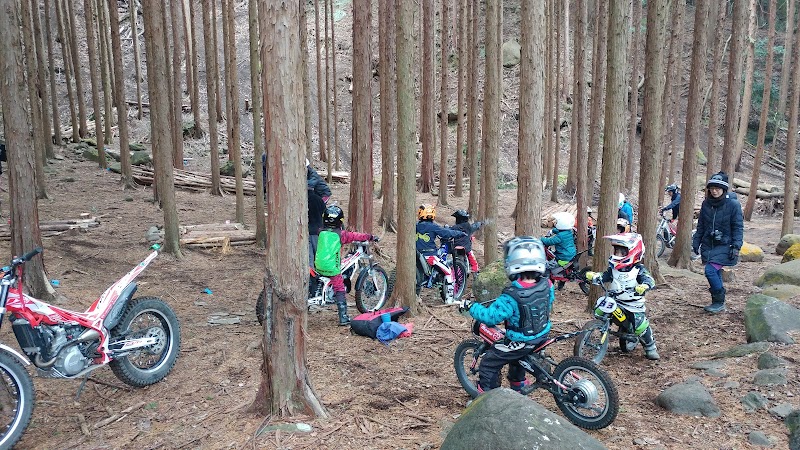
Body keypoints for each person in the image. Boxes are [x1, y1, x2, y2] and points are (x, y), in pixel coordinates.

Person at [460, 236, 555, 393]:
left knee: (489, 362)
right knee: (515, 355)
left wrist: (472, 307)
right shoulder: (548, 284)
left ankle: (487, 396)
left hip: (522, 340)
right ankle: (518, 384)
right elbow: (548, 302)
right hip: (542, 334)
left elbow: (491, 316)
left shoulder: (511, 295)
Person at [585, 233, 659, 360]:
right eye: (616, 251)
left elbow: (649, 279)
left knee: (640, 325)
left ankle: (650, 346)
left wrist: (644, 285)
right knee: (599, 310)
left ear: (633, 252)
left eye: (622, 252)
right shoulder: (614, 268)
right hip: (616, 300)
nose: (618, 254)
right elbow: (605, 276)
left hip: (633, 305)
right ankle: (600, 327)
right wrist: (597, 276)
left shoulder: (638, 269)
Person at [315, 205, 379, 326]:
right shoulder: (341, 234)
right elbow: (355, 236)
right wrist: (370, 237)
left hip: (318, 264)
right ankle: (343, 317)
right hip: (331, 267)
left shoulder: (321, 232)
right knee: (339, 288)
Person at [692, 172, 743, 314]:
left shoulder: (733, 205)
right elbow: (701, 225)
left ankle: (718, 302)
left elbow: (738, 227)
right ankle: (719, 302)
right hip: (709, 244)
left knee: (710, 271)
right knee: (715, 271)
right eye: (712, 188)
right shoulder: (706, 204)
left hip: (726, 245)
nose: (714, 191)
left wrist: (736, 246)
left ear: (724, 189)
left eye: (717, 188)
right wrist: (696, 241)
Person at [416, 204, 467, 304]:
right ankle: (449, 300)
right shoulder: (433, 226)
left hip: (417, 255)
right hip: (430, 257)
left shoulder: (416, 226)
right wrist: (460, 233)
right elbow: (446, 233)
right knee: (448, 271)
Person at [262, 155, 332, 202]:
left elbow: (310, 185)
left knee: (318, 208)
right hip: (319, 194)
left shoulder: (313, 175)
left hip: (324, 195)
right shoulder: (307, 174)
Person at [451, 209, 483, 277]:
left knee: (453, 260)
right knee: (473, 262)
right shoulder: (468, 226)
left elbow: (449, 232)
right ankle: (475, 273)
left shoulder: (454, 227)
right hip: (467, 248)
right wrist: (479, 224)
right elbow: (474, 226)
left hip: (456, 247)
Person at [307, 189, 326, 267]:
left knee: (309, 257)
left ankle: (310, 272)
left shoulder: (304, 200)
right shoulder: (319, 200)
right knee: (318, 255)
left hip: (307, 231)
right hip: (317, 231)